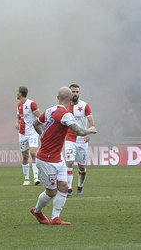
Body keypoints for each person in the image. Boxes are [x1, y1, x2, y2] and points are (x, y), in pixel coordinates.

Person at [29, 86, 96, 226]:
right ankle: (38, 211)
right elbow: (78, 131)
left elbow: (36, 123)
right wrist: (90, 130)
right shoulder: (66, 115)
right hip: (46, 159)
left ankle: (55, 218)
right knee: (51, 192)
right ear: (71, 99)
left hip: (57, 158)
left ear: (57, 97)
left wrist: (43, 135)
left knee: (64, 186)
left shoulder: (49, 110)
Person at [64, 83, 95, 195]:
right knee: (70, 162)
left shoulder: (85, 105)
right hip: (69, 139)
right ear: (69, 92)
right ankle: (69, 188)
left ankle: (80, 186)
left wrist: (89, 132)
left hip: (82, 139)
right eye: (73, 91)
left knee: (82, 167)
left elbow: (91, 120)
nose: (75, 93)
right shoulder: (65, 106)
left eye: (77, 92)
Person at [16, 86, 42, 185]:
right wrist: (16, 123)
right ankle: (26, 179)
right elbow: (18, 117)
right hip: (22, 134)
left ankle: (36, 177)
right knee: (25, 156)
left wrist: (43, 130)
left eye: (17, 92)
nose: (16, 94)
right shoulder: (19, 105)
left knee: (33, 153)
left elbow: (40, 117)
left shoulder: (32, 104)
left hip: (32, 133)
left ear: (21, 93)